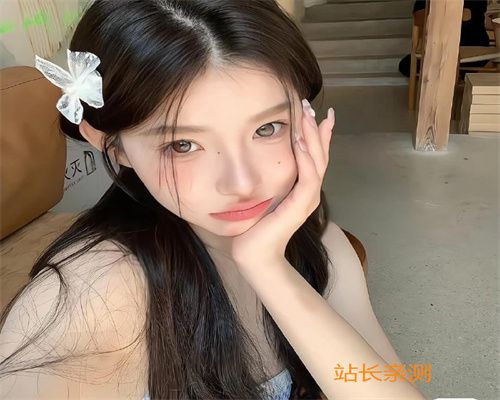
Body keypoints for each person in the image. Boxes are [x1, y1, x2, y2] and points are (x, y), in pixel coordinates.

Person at [0, 1, 426, 399]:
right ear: (112, 145)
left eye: (268, 128)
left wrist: (268, 268)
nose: (242, 182)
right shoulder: (89, 299)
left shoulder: (320, 242)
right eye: (182, 145)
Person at [399, 0, 491, 79]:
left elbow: (418, 16)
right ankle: (455, 75)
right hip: (467, 49)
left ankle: (448, 75)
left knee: (407, 65)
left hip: (443, 50)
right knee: (406, 65)